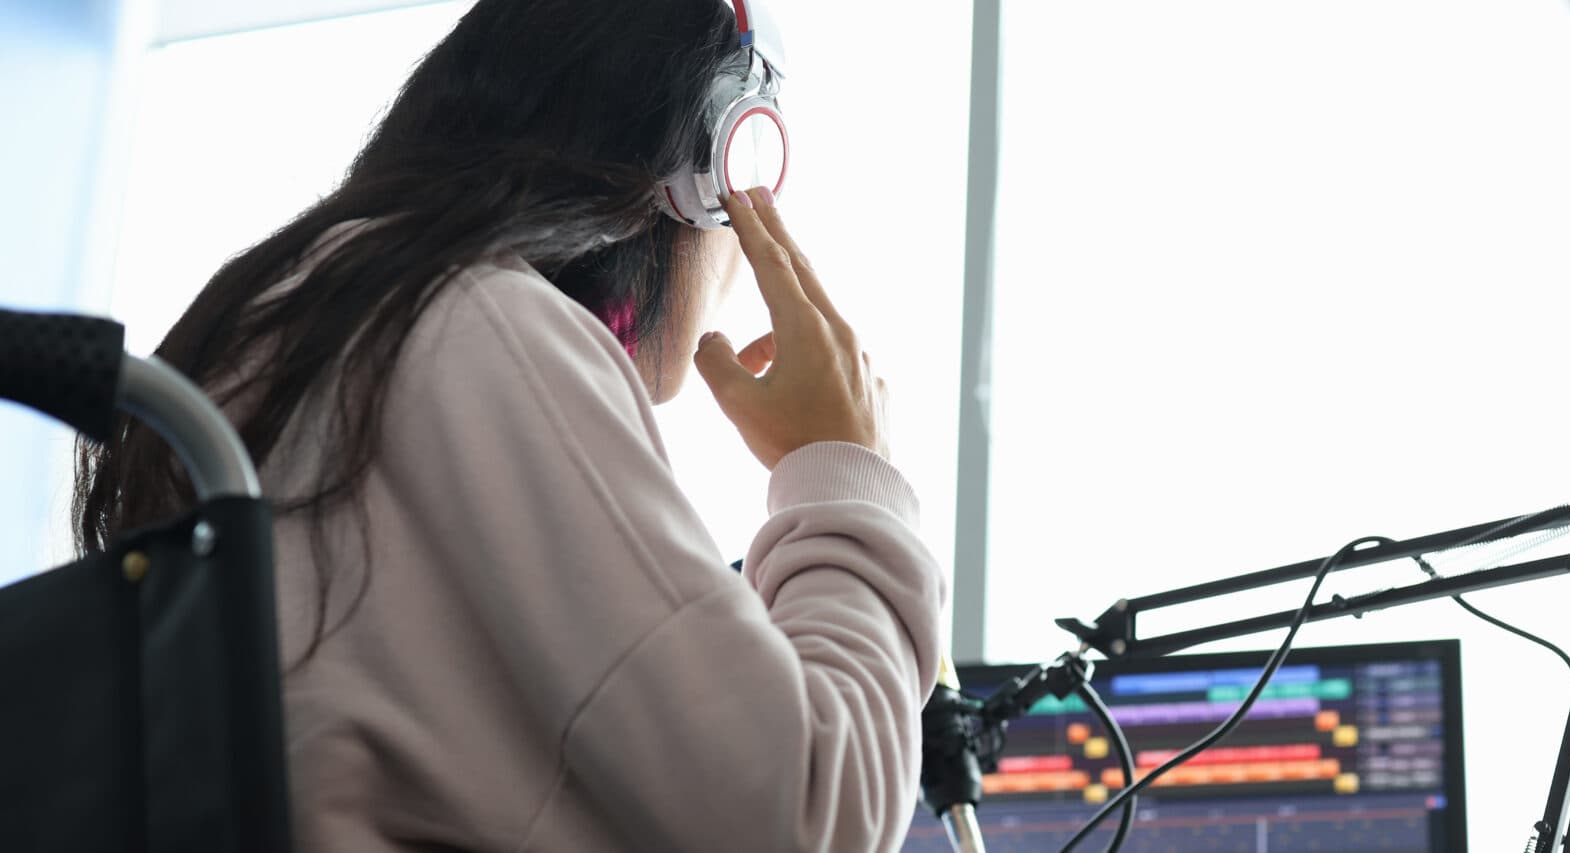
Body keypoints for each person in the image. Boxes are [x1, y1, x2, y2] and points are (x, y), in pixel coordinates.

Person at [69, 1, 946, 850]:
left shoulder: (278, 335)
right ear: (708, 174)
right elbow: (807, 806)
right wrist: (844, 472)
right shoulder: (476, 324)